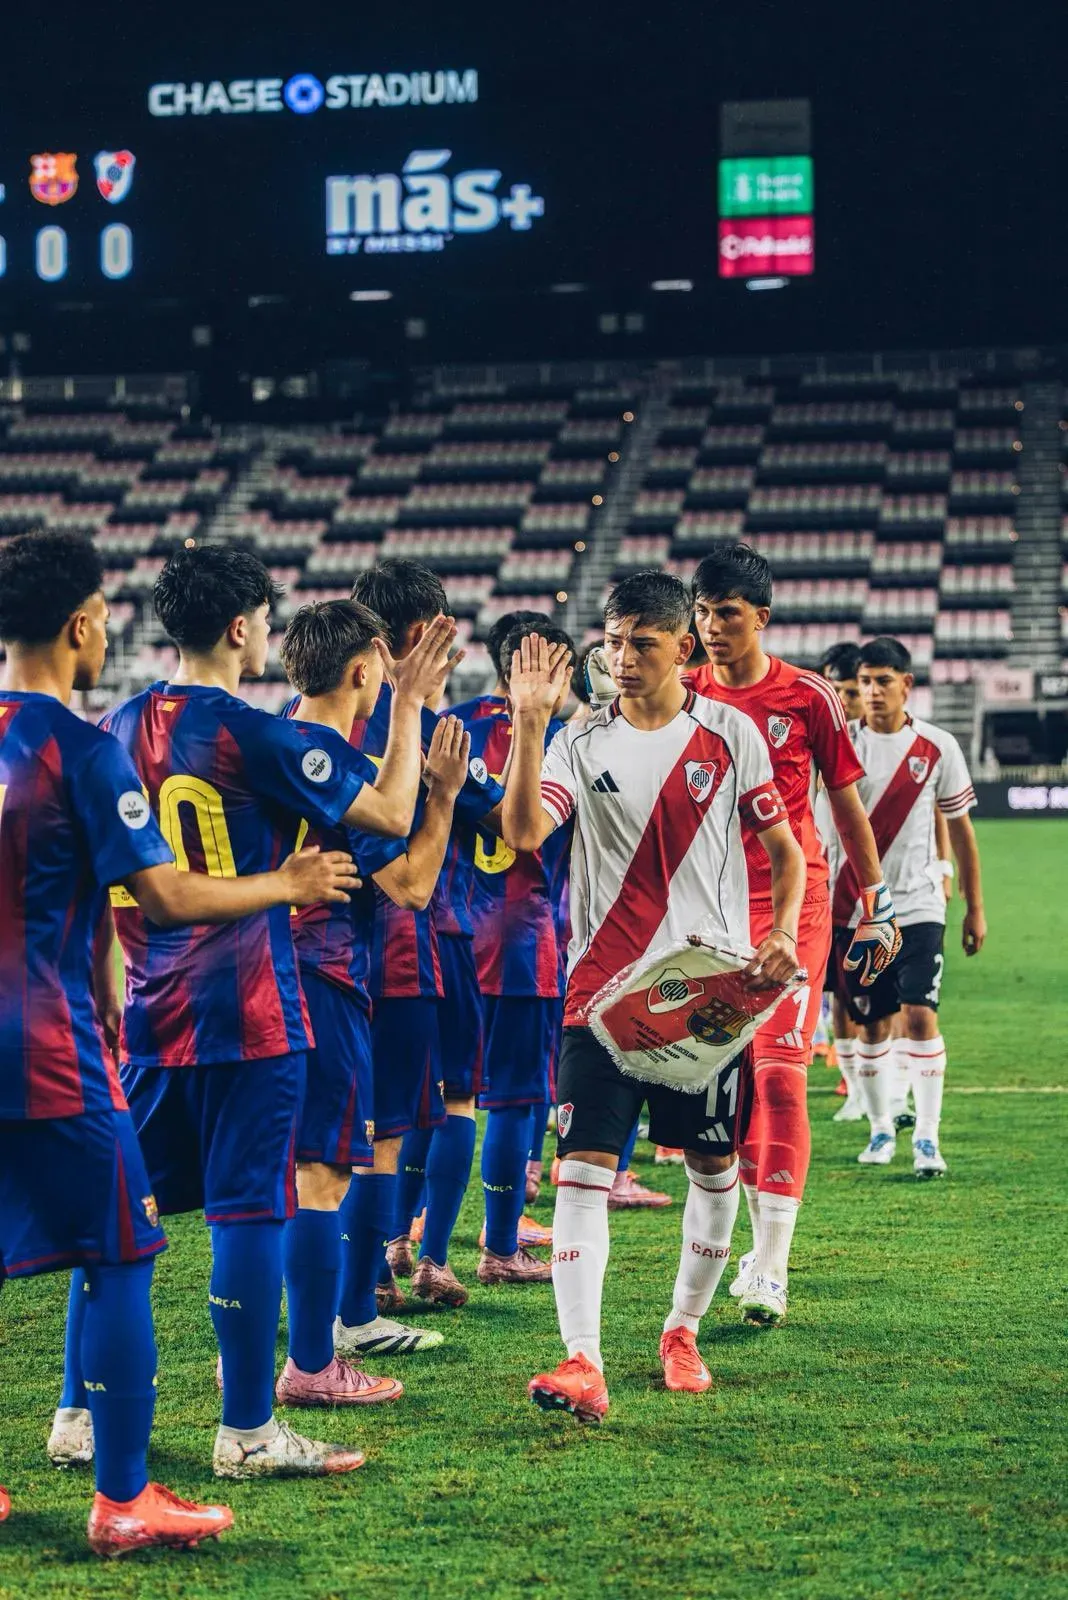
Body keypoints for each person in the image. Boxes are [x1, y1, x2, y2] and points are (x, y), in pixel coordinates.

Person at [55, 542, 447, 1483]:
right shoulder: (247, 729)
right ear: (241, 627)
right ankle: (249, 1431)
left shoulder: (113, 723)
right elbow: (391, 817)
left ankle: (74, 1414)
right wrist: (413, 703)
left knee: (117, 1224)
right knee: (247, 1216)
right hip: (250, 1010)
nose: (270, 634)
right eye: (266, 620)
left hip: (150, 1009)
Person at [0, 534, 341, 1551]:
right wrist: (289, 882)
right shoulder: (78, 744)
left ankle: (68, 1438)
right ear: (83, 623)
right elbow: (171, 893)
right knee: (117, 1249)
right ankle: (124, 1498)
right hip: (51, 1043)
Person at [500, 571, 806, 1421]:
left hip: (707, 998)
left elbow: (783, 850)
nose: (624, 658)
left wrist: (780, 933)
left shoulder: (731, 733)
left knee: (713, 1167)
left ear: (681, 646)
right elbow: (524, 833)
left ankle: (682, 1329)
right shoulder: (577, 740)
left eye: (643, 642)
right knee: (579, 1172)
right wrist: (530, 727)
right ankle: (581, 1360)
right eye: (613, 640)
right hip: (599, 998)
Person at [686, 544, 899, 1327]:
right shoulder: (683, 693)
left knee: (780, 1074)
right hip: (706, 915)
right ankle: (753, 1241)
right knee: (728, 1090)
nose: (711, 627)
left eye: (726, 614)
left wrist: (872, 901)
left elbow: (847, 808)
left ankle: (772, 1265)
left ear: (761, 618)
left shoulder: (805, 697)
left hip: (793, 907)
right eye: (702, 612)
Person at [277, 599, 472, 1401]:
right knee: (326, 1170)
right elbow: (412, 882)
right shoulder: (335, 754)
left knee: (274, 1178)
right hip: (324, 973)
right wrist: (447, 790)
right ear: (369, 668)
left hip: (257, 972)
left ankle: (295, 1341)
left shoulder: (268, 733)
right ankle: (313, 1361)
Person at [332, 559, 505, 1331]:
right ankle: (384, 1279)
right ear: (419, 634)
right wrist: (535, 726)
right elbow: (512, 823)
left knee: (342, 1135)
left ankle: (373, 1274)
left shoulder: (321, 719)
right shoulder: (434, 732)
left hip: (321, 954)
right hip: (414, 944)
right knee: (399, 1125)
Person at [833, 637, 985, 1176]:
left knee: (919, 1016)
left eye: (883, 681)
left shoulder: (937, 746)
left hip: (919, 903)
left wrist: (974, 906)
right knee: (871, 1027)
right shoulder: (838, 745)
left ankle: (926, 1136)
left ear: (907, 685)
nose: (872, 692)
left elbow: (961, 830)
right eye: (865, 682)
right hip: (853, 908)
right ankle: (879, 1128)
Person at [456, 619, 575, 1284]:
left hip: (446, 934)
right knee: (514, 1097)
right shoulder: (566, 739)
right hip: (524, 939)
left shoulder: (448, 725)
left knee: (436, 1101)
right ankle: (502, 1247)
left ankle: (404, 1242)